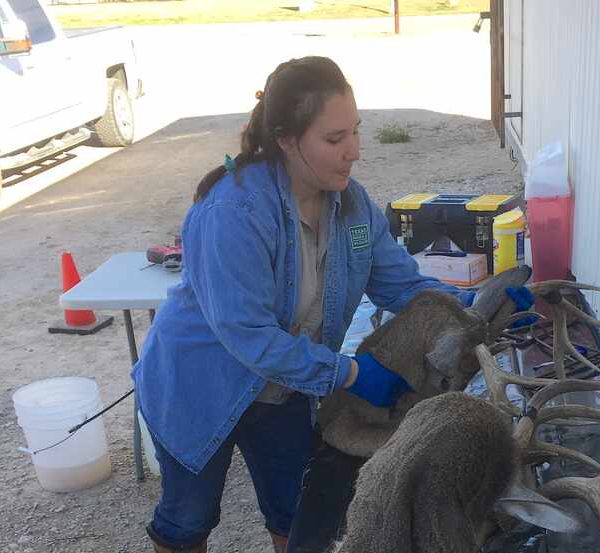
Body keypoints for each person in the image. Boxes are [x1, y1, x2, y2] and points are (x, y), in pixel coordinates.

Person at [131, 56, 474, 553]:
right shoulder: (234, 211)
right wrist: (350, 375)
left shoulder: (352, 205)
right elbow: (250, 337)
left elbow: (403, 286)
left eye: (355, 132)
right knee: (189, 517)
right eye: (334, 140)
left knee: (299, 513)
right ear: (287, 140)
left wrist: (476, 304)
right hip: (200, 384)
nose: (353, 151)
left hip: (284, 386)